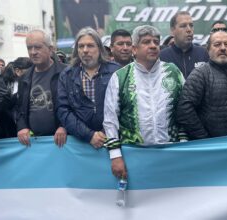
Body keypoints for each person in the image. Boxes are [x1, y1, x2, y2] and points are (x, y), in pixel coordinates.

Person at [103, 25, 186, 179]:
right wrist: (115, 155)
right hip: (134, 156)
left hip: (172, 153)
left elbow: (185, 110)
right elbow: (110, 120)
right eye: (147, 42)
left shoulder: (173, 72)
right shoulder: (120, 77)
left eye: (156, 41)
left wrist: (183, 143)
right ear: (134, 49)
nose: (153, 45)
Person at [177, 30, 227, 140]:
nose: (222, 48)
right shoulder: (200, 74)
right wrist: (203, 138)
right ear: (208, 49)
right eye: (217, 44)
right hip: (212, 148)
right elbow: (184, 110)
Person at [57, 27, 120, 147]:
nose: (85, 50)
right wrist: (89, 135)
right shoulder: (67, 75)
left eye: (90, 45)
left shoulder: (116, 71)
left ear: (99, 48)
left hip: (112, 140)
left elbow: (124, 106)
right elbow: (63, 110)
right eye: (81, 46)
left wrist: (106, 132)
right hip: (80, 142)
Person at [16, 29, 67, 147]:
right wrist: (22, 127)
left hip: (64, 142)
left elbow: (75, 105)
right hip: (35, 143)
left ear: (51, 49)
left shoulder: (66, 73)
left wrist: (64, 126)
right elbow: (19, 109)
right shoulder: (24, 78)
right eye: (29, 48)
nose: (33, 52)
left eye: (38, 47)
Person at [160, 11, 209, 78]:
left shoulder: (203, 53)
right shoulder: (162, 57)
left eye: (191, 25)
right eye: (183, 26)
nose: (189, 29)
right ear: (172, 31)